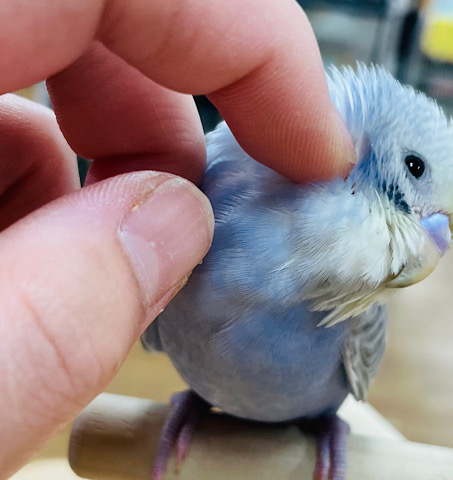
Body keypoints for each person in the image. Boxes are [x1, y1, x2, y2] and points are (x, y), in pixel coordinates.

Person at [0, 1, 355, 476]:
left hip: (313, 411)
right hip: (201, 389)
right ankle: (195, 402)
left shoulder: (349, 289)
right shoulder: (193, 236)